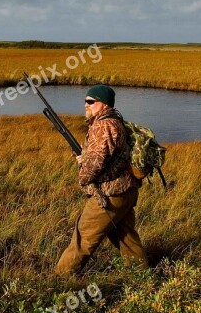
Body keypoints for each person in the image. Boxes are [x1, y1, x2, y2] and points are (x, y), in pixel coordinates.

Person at [54, 84, 148, 275]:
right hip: (125, 191)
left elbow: (94, 165)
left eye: (91, 102)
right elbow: (104, 157)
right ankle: (141, 277)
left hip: (110, 195)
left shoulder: (103, 125)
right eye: (85, 101)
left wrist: (83, 174)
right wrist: (84, 156)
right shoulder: (114, 121)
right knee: (125, 237)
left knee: (83, 238)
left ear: (104, 104)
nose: (86, 105)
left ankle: (60, 281)